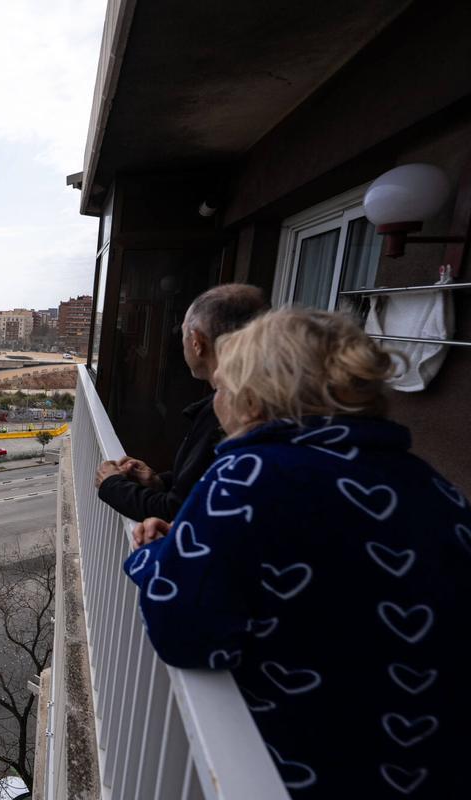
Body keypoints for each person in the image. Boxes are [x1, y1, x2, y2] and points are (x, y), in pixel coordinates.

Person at [123, 308, 465, 797]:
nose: (215, 402)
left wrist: (152, 554)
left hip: (322, 767)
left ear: (254, 402)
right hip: (436, 764)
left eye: (221, 389)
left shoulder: (252, 474)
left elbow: (183, 629)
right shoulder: (424, 481)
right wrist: (200, 538)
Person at [95, 283, 267, 520]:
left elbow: (179, 511)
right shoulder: (265, 397)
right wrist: (161, 481)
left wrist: (112, 484)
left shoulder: (233, 413)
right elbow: (200, 488)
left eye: (183, 334)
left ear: (197, 342)